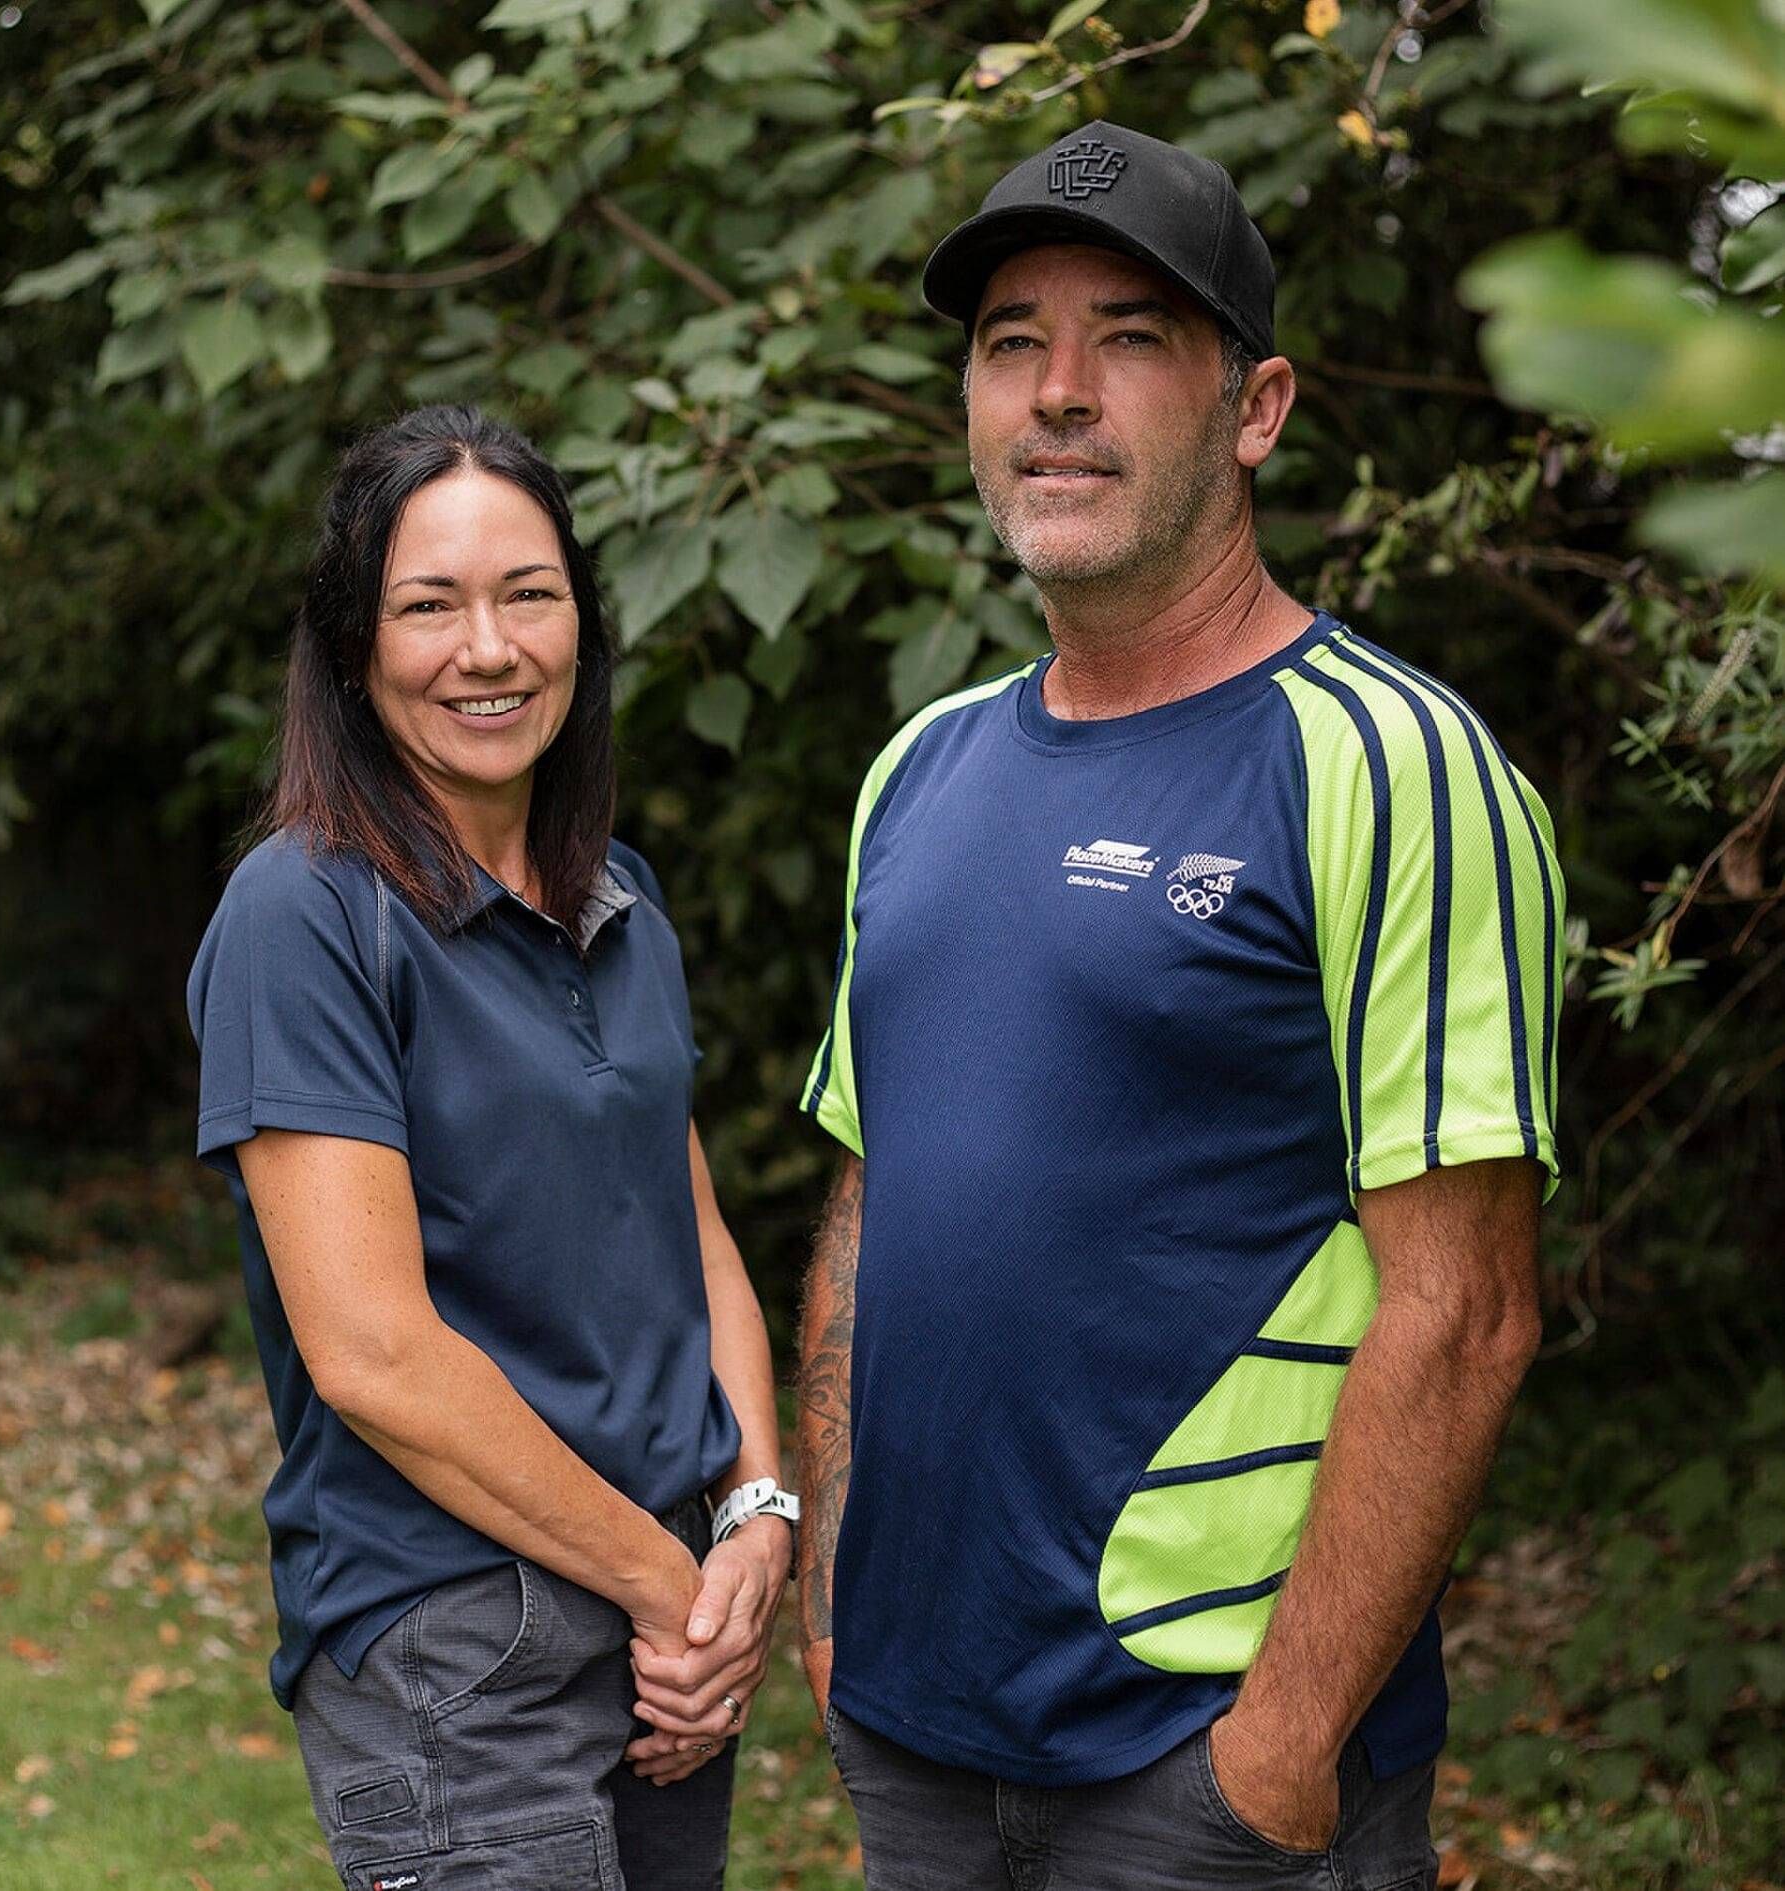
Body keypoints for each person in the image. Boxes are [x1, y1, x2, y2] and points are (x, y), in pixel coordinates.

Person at [796, 122, 1563, 1889]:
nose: (1059, 390)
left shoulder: (1394, 763)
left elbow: (1469, 1307)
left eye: (1131, 336)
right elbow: (869, 1196)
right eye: (1010, 343)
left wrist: (1276, 1756)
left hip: (1193, 1764)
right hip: (914, 1737)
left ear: (1258, 406)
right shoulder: (920, 769)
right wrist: (837, 1593)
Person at [186, 404, 797, 1891]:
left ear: (583, 621)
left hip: (659, 1619)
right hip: (457, 1634)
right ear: (350, 647)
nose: (490, 647)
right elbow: (374, 1354)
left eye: (529, 593)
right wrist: (673, 1588)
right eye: (428, 605)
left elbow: (690, 1227)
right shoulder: (306, 915)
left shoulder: (623, 898)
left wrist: (758, 1518)